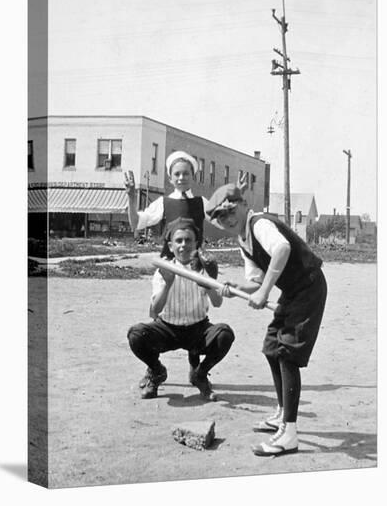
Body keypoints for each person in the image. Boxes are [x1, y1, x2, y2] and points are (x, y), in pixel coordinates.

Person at [206, 183, 327, 456]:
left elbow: (282, 249)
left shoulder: (259, 224)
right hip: (293, 291)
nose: (228, 219)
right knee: (272, 348)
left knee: (286, 353)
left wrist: (263, 292)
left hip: (309, 286)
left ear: (243, 205)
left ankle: (289, 433)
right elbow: (256, 280)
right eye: (221, 217)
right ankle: (282, 412)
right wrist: (232, 285)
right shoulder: (242, 239)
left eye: (231, 210)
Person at [124, 150, 240, 371]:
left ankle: (196, 362)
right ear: (170, 177)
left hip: (197, 264)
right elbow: (136, 223)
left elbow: (222, 221)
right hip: (170, 264)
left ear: (192, 176)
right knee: (162, 310)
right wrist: (131, 197)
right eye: (176, 174)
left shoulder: (201, 202)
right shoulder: (163, 202)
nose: (181, 178)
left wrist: (236, 197)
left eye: (185, 173)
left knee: (195, 311)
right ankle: (154, 369)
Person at [127, 217, 235, 401]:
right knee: (136, 335)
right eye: (179, 241)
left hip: (198, 329)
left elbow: (217, 303)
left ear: (196, 244)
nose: (183, 245)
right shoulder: (164, 270)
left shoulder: (203, 270)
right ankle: (156, 371)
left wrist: (208, 285)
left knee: (225, 333)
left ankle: (200, 374)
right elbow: (154, 311)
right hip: (168, 328)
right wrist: (168, 284)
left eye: (188, 240)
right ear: (170, 246)